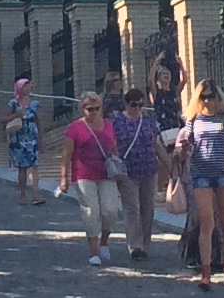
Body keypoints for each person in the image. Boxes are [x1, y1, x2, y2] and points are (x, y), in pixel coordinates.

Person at [176, 80, 224, 290]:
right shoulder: (193, 121)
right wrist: (184, 149)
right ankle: (206, 273)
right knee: (206, 223)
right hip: (201, 174)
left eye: (211, 96)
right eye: (203, 97)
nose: (207, 101)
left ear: (217, 97)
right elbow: (185, 148)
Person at [65, 94, 123, 265]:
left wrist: (117, 165)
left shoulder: (108, 125)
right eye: (90, 109)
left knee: (110, 211)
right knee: (91, 211)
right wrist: (64, 177)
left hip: (106, 174)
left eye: (97, 108)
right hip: (83, 174)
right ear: (82, 109)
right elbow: (67, 153)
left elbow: (114, 147)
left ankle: (104, 241)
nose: (94, 112)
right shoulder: (75, 128)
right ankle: (93, 251)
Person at [111, 96, 159, 263]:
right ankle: (135, 246)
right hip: (127, 171)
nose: (137, 108)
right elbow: (111, 143)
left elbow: (156, 143)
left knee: (147, 207)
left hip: (148, 169)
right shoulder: (117, 121)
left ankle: (145, 244)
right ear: (126, 104)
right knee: (132, 208)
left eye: (140, 104)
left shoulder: (148, 121)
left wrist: (168, 164)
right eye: (134, 104)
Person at [5, 77, 48, 205]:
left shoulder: (35, 104)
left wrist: (41, 140)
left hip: (32, 138)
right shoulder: (13, 103)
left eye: (29, 86)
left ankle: (35, 194)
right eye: (24, 86)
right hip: (18, 139)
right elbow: (3, 119)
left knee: (34, 167)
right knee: (22, 168)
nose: (27, 88)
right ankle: (23, 195)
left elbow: (39, 122)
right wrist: (15, 115)